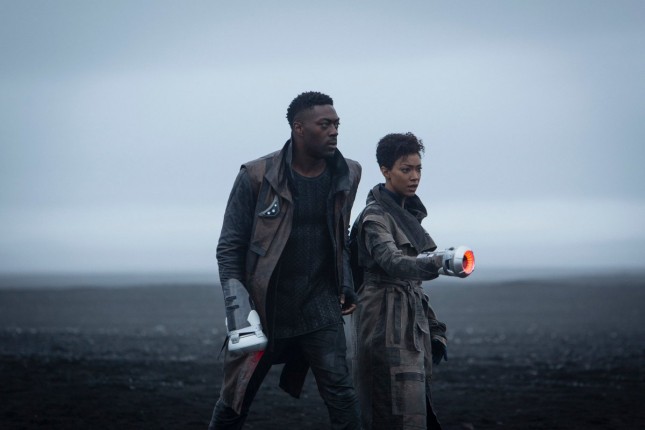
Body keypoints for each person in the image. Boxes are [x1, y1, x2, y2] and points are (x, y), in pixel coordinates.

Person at [209, 91, 362, 429]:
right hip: (265, 310)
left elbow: (341, 235)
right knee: (235, 400)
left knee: (342, 394)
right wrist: (239, 313)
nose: (334, 131)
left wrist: (346, 282)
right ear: (299, 128)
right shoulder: (256, 176)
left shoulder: (348, 173)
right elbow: (229, 248)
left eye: (337, 124)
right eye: (325, 124)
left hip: (319, 307)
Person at [350, 132, 448, 430]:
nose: (414, 176)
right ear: (385, 170)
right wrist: (440, 262)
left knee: (415, 410)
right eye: (406, 169)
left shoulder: (408, 216)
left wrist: (434, 327)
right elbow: (392, 261)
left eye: (418, 169)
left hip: (410, 323)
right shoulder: (375, 217)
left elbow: (413, 285)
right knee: (388, 409)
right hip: (383, 323)